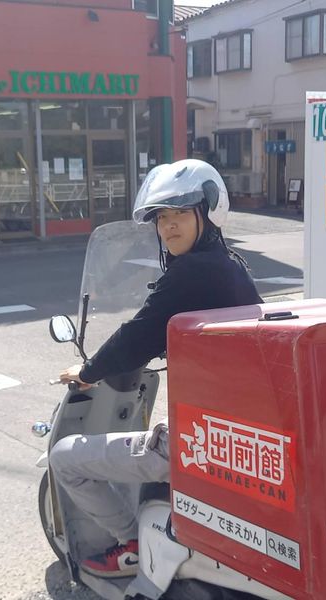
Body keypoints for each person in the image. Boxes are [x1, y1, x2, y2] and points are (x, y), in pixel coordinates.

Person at [48, 159, 262, 578]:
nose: (169, 226)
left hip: (197, 440)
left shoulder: (192, 271)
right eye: (162, 217)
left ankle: (129, 541)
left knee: (64, 457)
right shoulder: (232, 266)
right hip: (231, 429)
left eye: (181, 213)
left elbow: (139, 334)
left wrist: (89, 372)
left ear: (209, 210)